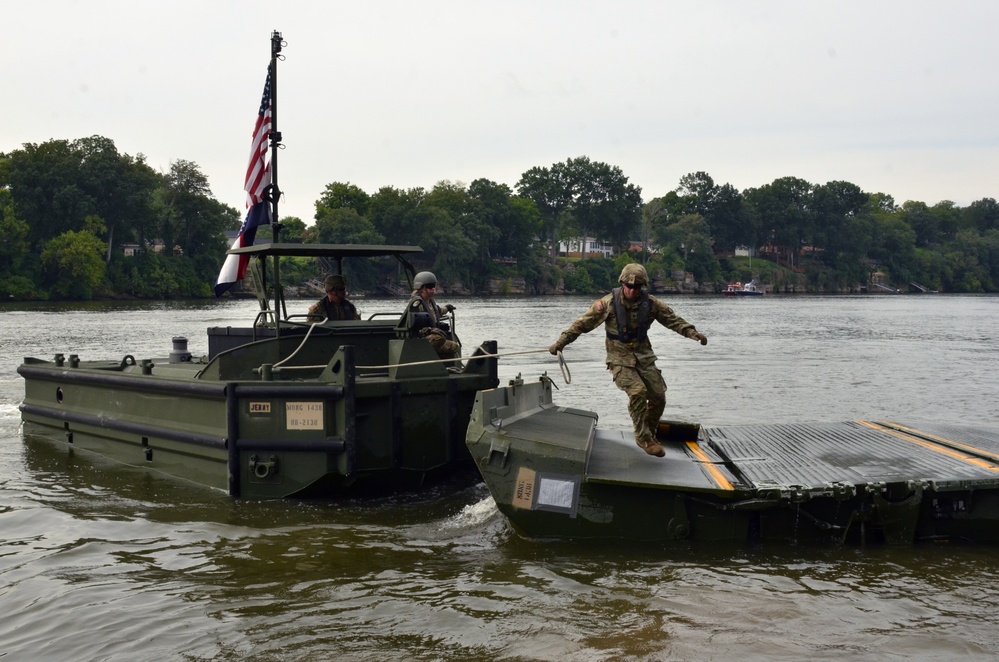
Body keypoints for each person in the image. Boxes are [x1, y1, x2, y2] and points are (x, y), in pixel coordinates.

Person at [548, 263, 707, 458]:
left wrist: (692, 332)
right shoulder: (607, 304)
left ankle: (648, 433)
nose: (632, 291)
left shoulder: (651, 304)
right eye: (629, 286)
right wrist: (561, 342)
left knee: (658, 397)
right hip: (619, 358)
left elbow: (672, 319)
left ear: (642, 287)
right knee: (638, 392)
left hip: (644, 356)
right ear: (622, 284)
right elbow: (582, 324)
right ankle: (643, 437)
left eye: (637, 287)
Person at [405, 271, 461, 360]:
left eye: (434, 286)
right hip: (420, 337)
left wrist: (447, 308)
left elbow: (437, 311)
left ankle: (444, 367)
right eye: (430, 286)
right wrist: (429, 330)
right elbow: (414, 324)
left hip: (432, 334)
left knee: (454, 346)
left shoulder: (430, 302)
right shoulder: (416, 304)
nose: (433, 289)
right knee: (439, 338)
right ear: (422, 288)